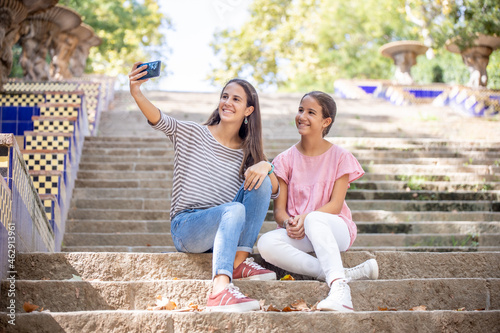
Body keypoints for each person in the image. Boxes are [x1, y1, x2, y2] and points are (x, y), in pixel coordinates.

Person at [129, 62, 279, 312]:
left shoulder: (246, 153)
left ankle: (238, 261)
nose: (227, 102)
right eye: (224, 96)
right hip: (187, 228)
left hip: (222, 232)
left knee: (261, 181)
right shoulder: (193, 133)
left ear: (248, 110)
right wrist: (136, 92)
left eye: (236, 99)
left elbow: (273, 190)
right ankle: (220, 289)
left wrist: (266, 165)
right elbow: (159, 119)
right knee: (234, 210)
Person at [257, 91, 378, 312]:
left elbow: (335, 205)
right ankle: (341, 273)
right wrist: (289, 224)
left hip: (335, 228)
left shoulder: (341, 157)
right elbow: (280, 212)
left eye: (311, 112)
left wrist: (307, 218)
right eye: (300, 110)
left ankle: (340, 291)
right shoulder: (284, 160)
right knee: (265, 243)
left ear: (326, 121)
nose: (302, 116)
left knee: (314, 219)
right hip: (301, 232)